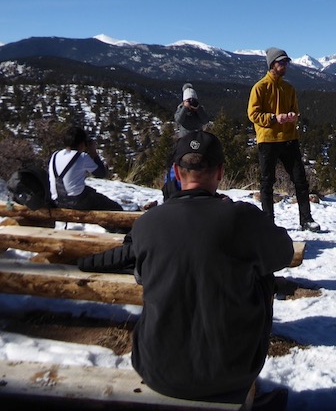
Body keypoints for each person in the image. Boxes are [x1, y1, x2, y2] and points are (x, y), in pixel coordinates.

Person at [80, 130, 293, 408]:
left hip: (156, 368)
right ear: (220, 173)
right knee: (263, 274)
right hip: (233, 371)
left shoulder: (148, 224)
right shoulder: (241, 218)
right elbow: (283, 253)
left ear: (176, 174)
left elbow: (143, 276)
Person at [248, 47, 320, 231]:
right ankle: (268, 222)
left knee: (300, 180)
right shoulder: (260, 87)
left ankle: (306, 220)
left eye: (286, 62)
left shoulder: (289, 88)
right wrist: (273, 118)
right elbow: (253, 114)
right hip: (268, 139)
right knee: (267, 182)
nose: (285, 65)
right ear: (272, 64)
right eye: (281, 62)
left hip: (289, 138)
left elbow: (295, 111)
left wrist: (292, 116)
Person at [48, 126, 123, 211]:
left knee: (89, 191)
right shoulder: (82, 157)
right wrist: (94, 153)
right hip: (76, 201)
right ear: (82, 143)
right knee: (115, 208)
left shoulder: (55, 155)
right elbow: (101, 174)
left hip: (57, 200)